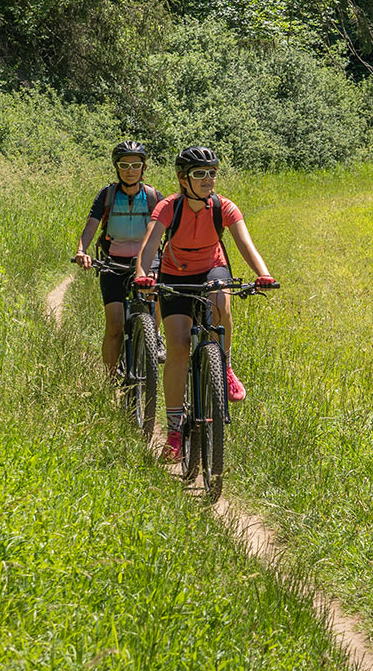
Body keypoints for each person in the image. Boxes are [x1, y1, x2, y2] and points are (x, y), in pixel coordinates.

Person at [133, 146, 276, 460]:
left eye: (212, 172)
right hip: (175, 274)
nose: (209, 179)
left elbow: (245, 244)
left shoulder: (223, 207)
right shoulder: (169, 207)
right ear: (184, 180)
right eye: (200, 174)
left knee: (221, 303)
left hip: (212, 267)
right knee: (179, 348)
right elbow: (149, 245)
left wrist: (263, 274)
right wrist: (143, 274)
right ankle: (174, 431)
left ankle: (223, 365)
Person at [74, 141, 164, 375]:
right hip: (113, 261)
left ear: (143, 168)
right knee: (114, 326)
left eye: (136, 165)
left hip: (147, 261)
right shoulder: (107, 195)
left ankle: (155, 335)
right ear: (117, 167)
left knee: (154, 295)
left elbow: (169, 232)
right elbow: (91, 225)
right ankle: (111, 382)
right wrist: (81, 251)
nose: (130, 170)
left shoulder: (154, 197)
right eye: (124, 165)